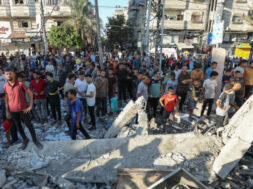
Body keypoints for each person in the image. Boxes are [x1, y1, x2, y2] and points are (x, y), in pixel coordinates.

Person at [4, 67, 42, 150]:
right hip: (13, 111)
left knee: (29, 125)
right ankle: (25, 139)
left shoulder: (21, 84)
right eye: (7, 74)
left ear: (14, 74)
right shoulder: (5, 86)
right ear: (5, 75)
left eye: (10, 73)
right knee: (18, 126)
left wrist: (30, 106)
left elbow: (30, 94)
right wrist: (7, 111)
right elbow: (7, 98)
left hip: (23, 110)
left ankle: (35, 140)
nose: (9, 75)